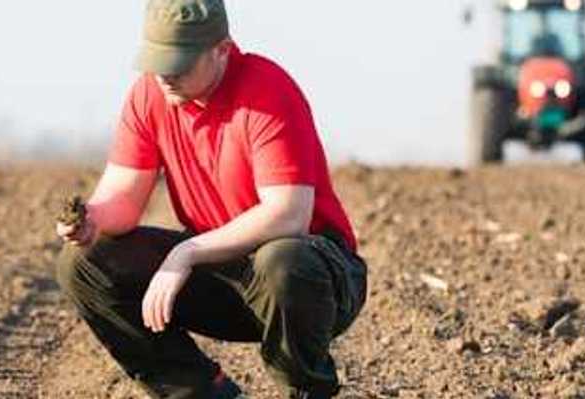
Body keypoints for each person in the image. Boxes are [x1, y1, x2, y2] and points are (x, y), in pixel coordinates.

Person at [53, 0, 368, 398]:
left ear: (221, 48)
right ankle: (202, 393)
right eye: (157, 61)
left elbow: (288, 214)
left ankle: (308, 389)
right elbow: (123, 195)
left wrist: (186, 252)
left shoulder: (266, 90)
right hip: (225, 272)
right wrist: (91, 219)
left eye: (179, 63)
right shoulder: (151, 95)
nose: (165, 76)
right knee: (85, 262)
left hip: (316, 278)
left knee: (283, 260)